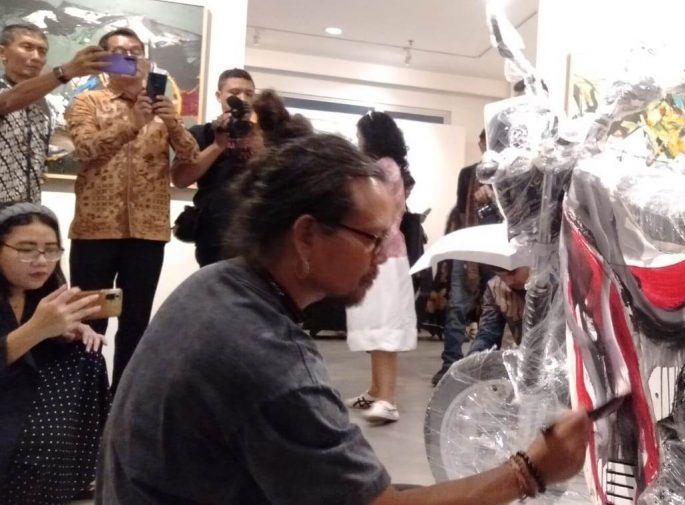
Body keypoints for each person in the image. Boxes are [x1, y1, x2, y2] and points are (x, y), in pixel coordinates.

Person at [95, 90, 590, 504]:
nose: (381, 255)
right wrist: (530, 471)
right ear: (306, 235)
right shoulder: (267, 358)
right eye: (371, 239)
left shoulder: (214, 285)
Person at [65, 28, 198, 393]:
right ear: (104, 61)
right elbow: (85, 149)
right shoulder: (87, 102)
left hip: (148, 231)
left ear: (146, 60)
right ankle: (85, 399)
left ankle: (123, 397)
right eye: (119, 52)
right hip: (95, 228)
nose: (129, 57)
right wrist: (132, 124)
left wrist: (172, 121)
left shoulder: (162, 107)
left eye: (135, 51)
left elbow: (191, 156)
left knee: (136, 320)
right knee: (90, 320)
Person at [0, 202, 108, 503]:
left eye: (51, 250)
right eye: (26, 250)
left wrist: (67, 332)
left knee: (87, 354)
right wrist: (37, 329)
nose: (41, 261)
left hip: (22, 387)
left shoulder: (42, 295)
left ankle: (73, 474)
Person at [344, 111, 417, 424]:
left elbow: (374, 211)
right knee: (374, 324)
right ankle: (376, 391)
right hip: (379, 253)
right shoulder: (386, 166)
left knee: (384, 327)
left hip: (383, 255)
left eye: (360, 136)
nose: (357, 141)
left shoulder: (384, 168)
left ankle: (387, 400)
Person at [0, 24, 109, 202]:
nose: (36, 57)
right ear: (2, 53)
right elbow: (8, 101)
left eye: (42, 51)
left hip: (28, 207)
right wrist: (66, 71)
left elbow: (64, 141)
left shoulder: (46, 103)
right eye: (27, 47)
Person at [172, 68, 262, 267]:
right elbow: (180, 179)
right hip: (213, 233)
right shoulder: (201, 134)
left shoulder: (265, 137)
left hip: (256, 234)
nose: (242, 99)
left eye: (249, 94)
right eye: (234, 92)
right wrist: (217, 145)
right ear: (218, 96)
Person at [432, 129, 494, 386]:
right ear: (480, 143)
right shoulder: (468, 174)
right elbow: (460, 211)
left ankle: (480, 365)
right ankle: (449, 364)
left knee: (493, 310)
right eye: (486, 141)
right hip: (468, 247)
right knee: (457, 307)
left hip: (495, 248)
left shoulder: (506, 175)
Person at [467, 266, 528, 356]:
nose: (509, 282)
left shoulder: (548, 283)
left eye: (513, 273)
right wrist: (476, 354)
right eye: (502, 276)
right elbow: (488, 333)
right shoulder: (496, 287)